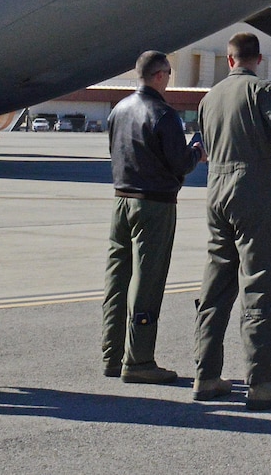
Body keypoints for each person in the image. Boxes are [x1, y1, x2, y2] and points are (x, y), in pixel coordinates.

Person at [192, 31, 271, 410]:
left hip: (216, 190)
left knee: (216, 282)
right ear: (257, 59)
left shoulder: (209, 97)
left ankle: (207, 374)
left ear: (229, 60)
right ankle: (260, 381)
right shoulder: (263, 91)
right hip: (252, 189)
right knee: (261, 279)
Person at [102, 49, 200, 384]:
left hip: (121, 199)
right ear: (159, 75)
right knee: (147, 280)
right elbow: (180, 163)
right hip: (154, 203)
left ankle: (112, 356)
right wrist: (197, 151)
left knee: (117, 280)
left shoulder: (119, 109)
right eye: (169, 73)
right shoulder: (163, 114)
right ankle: (139, 360)